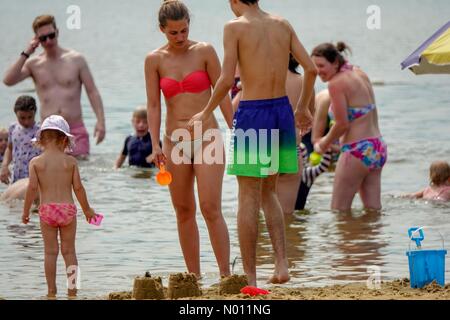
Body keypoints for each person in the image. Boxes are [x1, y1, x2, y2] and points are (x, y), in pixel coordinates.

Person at [188, 0, 317, 286]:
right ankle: (282, 265)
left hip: (254, 111)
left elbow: (224, 80)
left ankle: (250, 278)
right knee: (268, 191)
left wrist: (205, 112)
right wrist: (303, 108)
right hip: (281, 110)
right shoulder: (282, 24)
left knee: (248, 194)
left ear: (234, 1)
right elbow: (310, 69)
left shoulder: (234, 27)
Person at [145, 0, 233, 278]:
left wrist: (234, 128)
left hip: (207, 137)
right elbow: (153, 105)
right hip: (174, 141)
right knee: (183, 210)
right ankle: (194, 278)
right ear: (162, 30)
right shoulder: (154, 60)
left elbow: (222, 92)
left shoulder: (204, 51)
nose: (180, 37)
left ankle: (225, 276)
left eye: (184, 30)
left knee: (210, 208)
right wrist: (155, 144)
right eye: (173, 33)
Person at [3, 15, 106, 159]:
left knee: (80, 175)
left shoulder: (76, 59)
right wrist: (27, 52)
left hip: (75, 130)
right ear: (37, 39)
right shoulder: (34, 64)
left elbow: (92, 91)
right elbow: (8, 80)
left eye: (51, 35)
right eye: (43, 38)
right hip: (48, 134)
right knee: (51, 178)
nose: (49, 41)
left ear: (57, 32)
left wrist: (101, 122)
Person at [22, 115, 97, 298]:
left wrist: (25, 212)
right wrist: (87, 210)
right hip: (68, 211)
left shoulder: (36, 163)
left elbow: (31, 189)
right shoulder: (70, 162)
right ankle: (73, 291)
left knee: (50, 253)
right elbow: (78, 188)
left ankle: (51, 291)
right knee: (69, 251)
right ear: (64, 139)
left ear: (40, 139)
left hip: (47, 210)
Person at [311, 42, 387, 212]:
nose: (318, 71)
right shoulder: (359, 73)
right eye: (315, 66)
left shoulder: (336, 83)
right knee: (373, 211)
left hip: (357, 151)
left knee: (339, 211)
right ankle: (372, 238)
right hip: (377, 147)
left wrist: (323, 144)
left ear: (335, 63)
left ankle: (346, 239)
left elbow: (342, 124)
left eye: (322, 66)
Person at [1, 95, 41, 185]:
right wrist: (4, 166)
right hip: (17, 176)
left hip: (36, 178)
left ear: (35, 113)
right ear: (16, 114)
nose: (26, 121)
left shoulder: (40, 131)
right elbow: (10, 148)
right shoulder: (13, 128)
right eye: (22, 118)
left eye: (30, 117)